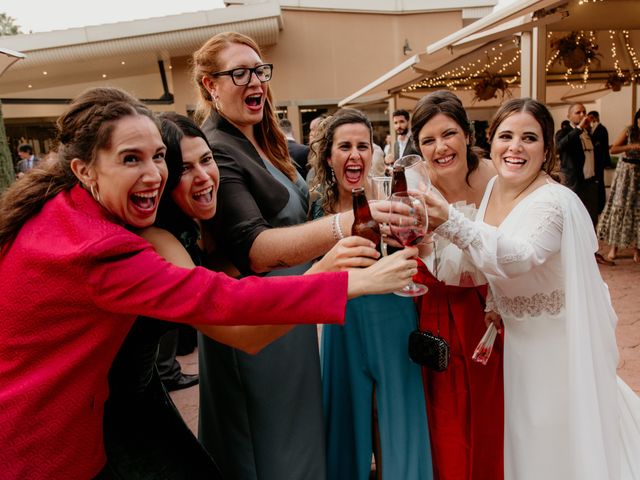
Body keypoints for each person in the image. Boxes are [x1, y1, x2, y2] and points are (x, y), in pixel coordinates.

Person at [0, 86, 418, 480]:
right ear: (84, 170)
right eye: (131, 159)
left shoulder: (70, 211)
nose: (152, 174)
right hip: (45, 444)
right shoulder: (105, 247)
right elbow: (225, 305)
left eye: (159, 157)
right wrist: (345, 280)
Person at [191, 32, 414, 480]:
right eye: (239, 73)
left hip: (294, 308)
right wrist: (346, 224)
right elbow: (253, 248)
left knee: (300, 438)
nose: (255, 80)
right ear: (210, 85)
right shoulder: (216, 148)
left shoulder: (261, 139)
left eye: (259, 71)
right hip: (256, 314)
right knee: (269, 448)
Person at [421, 97, 640, 480]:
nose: (515, 147)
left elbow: (518, 256)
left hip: (553, 349)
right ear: (491, 142)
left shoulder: (554, 202)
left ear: (547, 149)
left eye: (529, 138)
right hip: (516, 347)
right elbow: (492, 262)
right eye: (506, 136)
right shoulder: (493, 190)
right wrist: (494, 301)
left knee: (553, 441)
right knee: (522, 441)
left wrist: (449, 220)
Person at [309, 108, 433, 480]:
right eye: (344, 146)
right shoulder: (318, 207)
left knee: (399, 411)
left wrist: (415, 241)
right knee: (345, 412)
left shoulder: (390, 195)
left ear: (374, 152)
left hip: (393, 312)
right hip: (342, 316)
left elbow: (422, 249)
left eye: (363, 145)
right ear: (329, 156)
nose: (355, 154)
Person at [410, 90, 504, 480]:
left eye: (448, 134)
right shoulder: (414, 184)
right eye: (428, 140)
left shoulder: (496, 180)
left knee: (491, 409)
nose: (440, 147)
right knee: (444, 415)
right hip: (434, 309)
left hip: (488, 309)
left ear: (467, 133)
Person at [556, 102, 613, 265]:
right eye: (578, 112)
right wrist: (578, 128)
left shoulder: (590, 133)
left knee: (591, 218)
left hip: (591, 182)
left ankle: (592, 253)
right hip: (574, 183)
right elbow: (559, 146)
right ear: (569, 116)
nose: (582, 115)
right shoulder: (564, 132)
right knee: (573, 220)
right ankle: (574, 256)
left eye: (584, 112)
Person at [597, 107, 640, 264]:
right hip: (626, 174)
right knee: (620, 207)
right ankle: (614, 247)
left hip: (639, 174)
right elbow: (613, 149)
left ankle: (637, 249)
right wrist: (631, 146)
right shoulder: (629, 131)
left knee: (638, 211)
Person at [587, 110, 612, 214]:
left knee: (600, 182)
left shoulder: (602, 129)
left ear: (594, 117)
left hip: (599, 160)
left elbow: (601, 145)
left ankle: (600, 205)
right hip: (594, 161)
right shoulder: (592, 129)